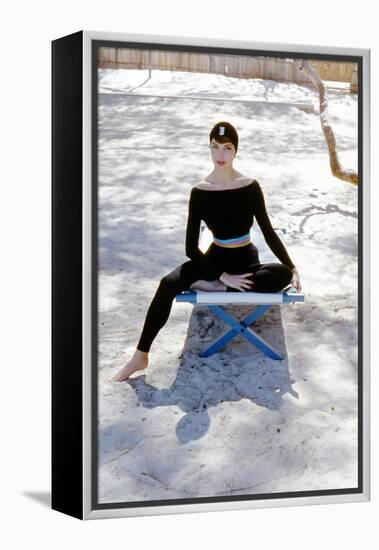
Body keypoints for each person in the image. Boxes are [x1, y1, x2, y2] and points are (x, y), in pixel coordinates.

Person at [111, 121, 302, 382]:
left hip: (246, 259)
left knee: (280, 276)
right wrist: (222, 275)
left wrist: (291, 266)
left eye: (227, 148)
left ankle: (214, 288)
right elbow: (190, 248)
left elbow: (268, 231)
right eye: (215, 147)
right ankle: (140, 355)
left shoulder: (250, 186)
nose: (220, 154)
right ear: (209, 149)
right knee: (167, 283)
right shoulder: (200, 191)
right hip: (215, 259)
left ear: (235, 151)